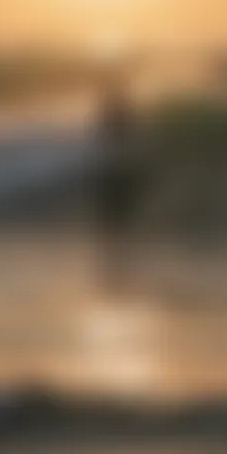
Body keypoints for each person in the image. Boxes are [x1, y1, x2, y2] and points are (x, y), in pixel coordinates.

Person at [93, 65, 144, 289]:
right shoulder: (117, 109)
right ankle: (117, 246)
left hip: (117, 169)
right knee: (118, 218)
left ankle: (116, 246)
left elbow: (112, 134)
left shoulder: (116, 109)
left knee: (116, 220)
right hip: (117, 169)